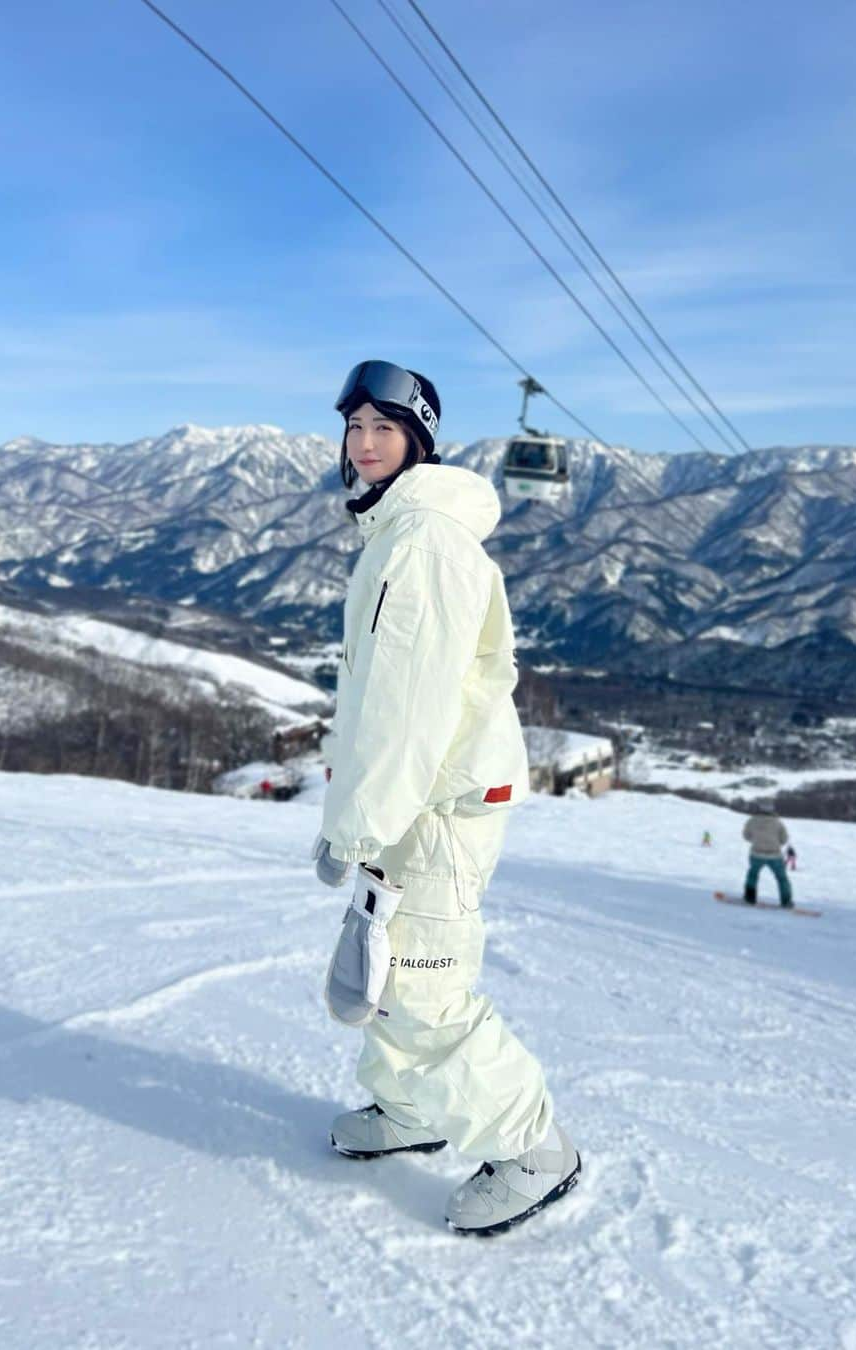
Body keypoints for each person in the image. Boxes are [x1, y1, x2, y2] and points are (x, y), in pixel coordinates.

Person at [312, 359, 580, 1236]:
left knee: (425, 978)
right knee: (390, 964)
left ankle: (535, 1149)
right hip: (414, 795)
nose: (363, 443)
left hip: (436, 800)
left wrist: (357, 822)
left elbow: (405, 707)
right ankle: (413, 1110)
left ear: (417, 440)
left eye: (382, 429)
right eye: (354, 427)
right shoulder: (397, 532)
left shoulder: (422, 543)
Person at [742, 800, 793, 907]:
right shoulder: (778, 823)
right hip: (775, 855)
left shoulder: (752, 821)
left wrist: (756, 839)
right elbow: (784, 839)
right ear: (772, 809)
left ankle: (749, 898)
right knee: (782, 878)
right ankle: (786, 901)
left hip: (756, 854)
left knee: (753, 875)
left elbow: (746, 836)